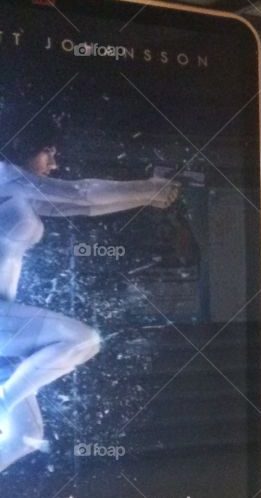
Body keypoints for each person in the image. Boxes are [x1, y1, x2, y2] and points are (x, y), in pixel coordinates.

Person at [0, 124, 178, 473]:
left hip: (7, 326)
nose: (53, 163)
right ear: (23, 143)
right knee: (82, 339)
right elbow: (81, 194)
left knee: (24, 436)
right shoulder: (3, 176)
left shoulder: (17, 189)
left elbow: (80, 203)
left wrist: (150, 194)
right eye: (49, 151)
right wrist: (151, 190)